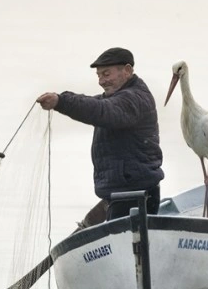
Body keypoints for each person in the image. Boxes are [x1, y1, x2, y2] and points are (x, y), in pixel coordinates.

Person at [36, 47, 164, 222]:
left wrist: (60, 101)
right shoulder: (116, 97)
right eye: (99, 76)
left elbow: (100, 110)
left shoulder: (133, 99)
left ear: (127, 70)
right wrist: (61, 99)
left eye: (106, 74)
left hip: (136, 195)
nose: (102, 81)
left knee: (130, 245)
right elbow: (92, 103)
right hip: (121, 193)